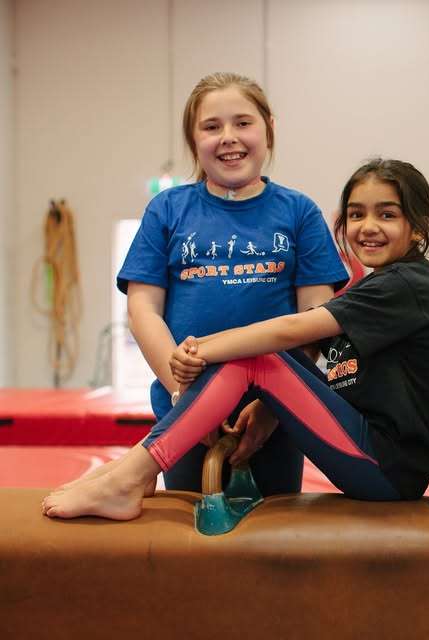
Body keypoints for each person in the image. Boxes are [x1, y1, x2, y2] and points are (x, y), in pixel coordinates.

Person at [42, 158, 429, 519]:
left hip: (387, 467)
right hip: (374, 455)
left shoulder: (404, 285)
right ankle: (126, 473)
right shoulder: (385, 287)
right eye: (356, 214)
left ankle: (130, 475)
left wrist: (198, 349)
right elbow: (328, 371)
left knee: (262, 357)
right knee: (269, 360)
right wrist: (269, 408)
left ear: (418, 227)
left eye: (387, 215)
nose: (368, 227)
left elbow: (290, 329)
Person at [115, 72, 348, 496]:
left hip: (275, 408)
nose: (228, 137)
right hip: (183, 401)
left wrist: (272, 409)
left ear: (268, 129)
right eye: (211, 126)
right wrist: (184, 396)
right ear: (193, 139)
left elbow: (317, 319)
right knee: (190, 532)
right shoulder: (168, 210)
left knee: (272, 542)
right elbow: (142, 309)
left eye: (243, 123)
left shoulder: (298, 212)